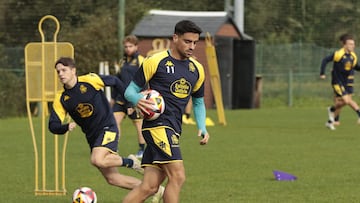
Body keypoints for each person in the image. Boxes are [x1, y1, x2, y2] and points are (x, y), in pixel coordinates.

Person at [48, 57, 163, 202]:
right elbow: (52, 125)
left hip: (108, 126)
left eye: (64, 70)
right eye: (58, 71)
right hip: (92, 137)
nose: (60, 74)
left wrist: (129, 102)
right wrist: (65, 127)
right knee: (113, 179)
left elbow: (114, 81)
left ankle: (132, 162)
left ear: (73, 70)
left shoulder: (90, 80)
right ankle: (156, 190)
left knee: (97, 159)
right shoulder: (61, 98)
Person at [122, 20, 210, 203]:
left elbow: (199, 101)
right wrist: (138, 99)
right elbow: (129, 91)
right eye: (187, 41)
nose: (192, 46)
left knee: (149, 187)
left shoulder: (197, 69)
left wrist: (202, 126)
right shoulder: (155, 61)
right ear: (175, 38)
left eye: (195, 42)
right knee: (178, 176)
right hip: (157, 126)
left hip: (174, 128)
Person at [112, 35, 146, 158]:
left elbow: (145, 81)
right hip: (121, 99)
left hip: (135, 99)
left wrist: (136, 101)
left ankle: (142, 149)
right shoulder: (121, 61)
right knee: (113, 123)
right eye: (125, 46)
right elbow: (116, 80)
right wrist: (112, 97)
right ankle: (113, 148)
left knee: (139, 125)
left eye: (130, 46)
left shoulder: (141, 60)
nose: (127, 49)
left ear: (136, 46)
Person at [320, 33, 360, 130]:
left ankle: (331, 111)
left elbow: (356, 67)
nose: (352, 46)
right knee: (347, 100)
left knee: (343, 102)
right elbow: (325, 60)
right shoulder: (338, 54)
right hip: (337, 82)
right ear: (345, 45)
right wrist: (322, 73)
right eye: (350, 44)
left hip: (346, 82)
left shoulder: (353, 56)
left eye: (353, 44)